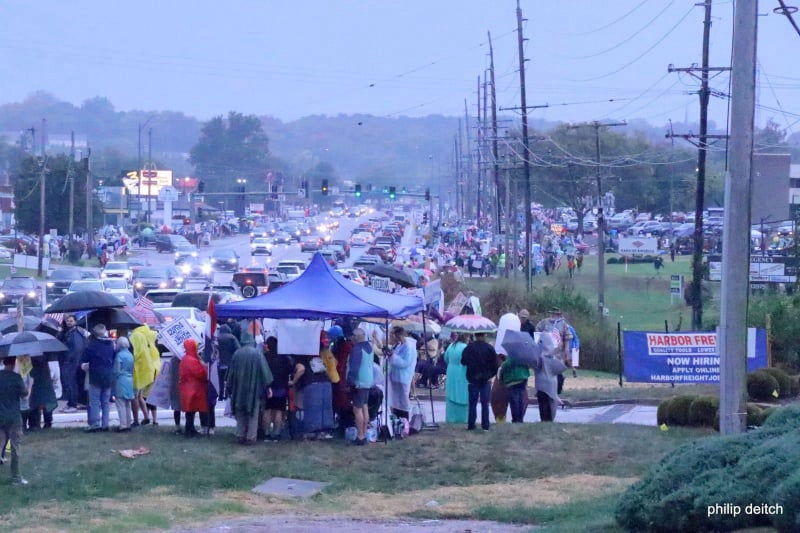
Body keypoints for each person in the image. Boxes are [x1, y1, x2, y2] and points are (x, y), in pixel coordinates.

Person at [227, 345, 273, 445]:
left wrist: (229, 386)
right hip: (254, 389)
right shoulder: (258, 353)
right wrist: (268, 387)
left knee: (240, 412)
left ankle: (240, 434)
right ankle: (251, 437)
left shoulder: (237, 353)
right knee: (253, 413)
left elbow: (231, 373)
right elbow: (265, 372)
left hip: (239, 388)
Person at [460, 332, 498, 431]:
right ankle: (485, 425)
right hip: (486, 379)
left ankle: (471, 424)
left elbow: (463, 361)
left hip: (473, 379)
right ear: (485, 335)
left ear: (475, 335)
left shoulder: (469, 348)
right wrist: (490, 375)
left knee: (472, 403)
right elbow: (495, 365)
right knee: (485, 403)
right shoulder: (489, 348)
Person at [81, 324, 116, 432]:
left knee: (95, 401)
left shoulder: (91, 345)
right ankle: (105, 424)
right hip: (108, 375)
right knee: (105, 402)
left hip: (95, 375)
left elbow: (85, 360)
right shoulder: (111, 344)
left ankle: (95, 424)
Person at [0, 356, 29, 485]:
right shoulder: (16, 378)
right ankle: (16, 477)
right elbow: (24, 395)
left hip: (0, 415)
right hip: (14, 417)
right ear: (14, 363)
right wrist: (30, 384)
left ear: (3, 362)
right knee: (15, 447)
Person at [535, 308, 574, 395]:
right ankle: (542, 392)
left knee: (557, 376)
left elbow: (567, 339)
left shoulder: (563, 324)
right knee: (544, 375)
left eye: (556, 314)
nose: (554, 316)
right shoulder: (544, 322)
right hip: (545, 355)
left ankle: (556, 392)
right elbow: (537, 334)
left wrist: (567, 354)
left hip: (557, 355)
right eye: (553, 313)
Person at [346, 328, 374, 446]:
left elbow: (354, 368)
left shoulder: (357, 349)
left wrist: (349, 382)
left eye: (352, 336)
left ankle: (360, 436)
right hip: (368, 381)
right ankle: (365, 433)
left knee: (357, 409)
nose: (351, 338)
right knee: (364, 407)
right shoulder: (370, 347)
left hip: (359, 382)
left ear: (356, 337)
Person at [263, 336, 292, 441]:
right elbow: (290, 370)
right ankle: (276, 433)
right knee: (279, 410)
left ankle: (266, 433)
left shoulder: (265, 357)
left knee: (268, 410)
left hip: (268, 387)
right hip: (281, 387)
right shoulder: (284, 358)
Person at [130, 325, 160, 426]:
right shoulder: (150, 344)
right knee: (141, 396)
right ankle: (149, 418)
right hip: (152, 371)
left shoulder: (137, 337)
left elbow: (137, 356)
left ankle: (138, 420)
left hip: (140, 373)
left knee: (137, 396)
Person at [178, 339, 208, 438]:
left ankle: (189, 428)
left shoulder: (184, 359)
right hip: (195, 389)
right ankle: (190, 430)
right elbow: (202, 374)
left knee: (189, 411)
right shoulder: (192, 360)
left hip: (186, 388)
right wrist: (203, 365)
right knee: (194, 409)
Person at [387, 326, 417, 420]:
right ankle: (397, 418)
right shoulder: (399, 345)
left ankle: (405, 419)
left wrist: (393, 356)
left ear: (398, 335)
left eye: (393, 335)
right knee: (395, 400)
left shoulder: (409, 347)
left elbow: (405, 363)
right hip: (396, 376)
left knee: (403, 400)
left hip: (403, 377)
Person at [58, 315, 85, 413]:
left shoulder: (76, 334)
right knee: (68, 384)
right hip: (68, 361)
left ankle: (73, 404)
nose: (69, 322)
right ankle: (70, 403)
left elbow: (77, 350)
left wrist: (69, 360)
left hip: (71, 363)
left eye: (71, 321)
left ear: (75, 321)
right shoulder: (67, 333)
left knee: (71, 384)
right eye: (67, 321)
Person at [443, 333, 468, 424]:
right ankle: (462, 418)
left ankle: (451, 418)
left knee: (451, 394)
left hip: (451, 372)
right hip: (462, 372)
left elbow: (445, 358)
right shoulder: (466, 347)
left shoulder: (451, 346)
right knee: (462, 393)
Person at [499, 351, 530, 423]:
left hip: (512, 382)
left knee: (514, 402)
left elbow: (506, 366)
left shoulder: (511, 357)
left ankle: (515, 419)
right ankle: (520, 418)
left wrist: (501, 378)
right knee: (520, 400)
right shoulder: (523, 357)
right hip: (522, 379)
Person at [112, 337, 135, 432]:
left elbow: (116, 370)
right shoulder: (130, 355)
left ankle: (123, 425)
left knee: (120, 403)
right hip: (129, 379)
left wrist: (112, 380)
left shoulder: (119, 355)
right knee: (128, 404)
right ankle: (128, 423)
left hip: (121, 380)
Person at [28, 357, 57, 430]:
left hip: (32, 366)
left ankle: (35, 423)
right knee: (46, 399)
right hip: (41, 366)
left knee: (35, 399)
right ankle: (47, 422)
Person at [216, 324, 240, 401]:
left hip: (220, 363)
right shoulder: (232, 338)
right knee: (229, 380)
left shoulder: (217, 338)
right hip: (230, 363)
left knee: (220, 381)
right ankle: (227, 394)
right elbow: (238, 349)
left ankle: (220, 395)